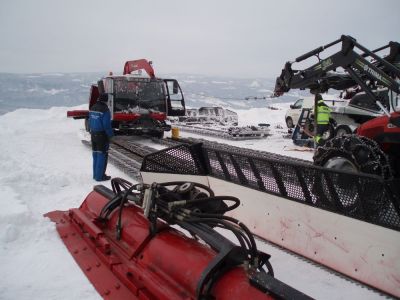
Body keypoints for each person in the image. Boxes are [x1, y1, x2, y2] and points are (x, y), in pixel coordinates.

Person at [88, 93, 114, 181]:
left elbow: (89, 121)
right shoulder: (105, 110)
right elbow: (106, 125)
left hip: (93, 134)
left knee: (95, 154)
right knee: (101, 155)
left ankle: (95, 175)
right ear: (106, 100)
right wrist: (110, 135)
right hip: (101, 136)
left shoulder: (93, 107)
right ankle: (100, 177)